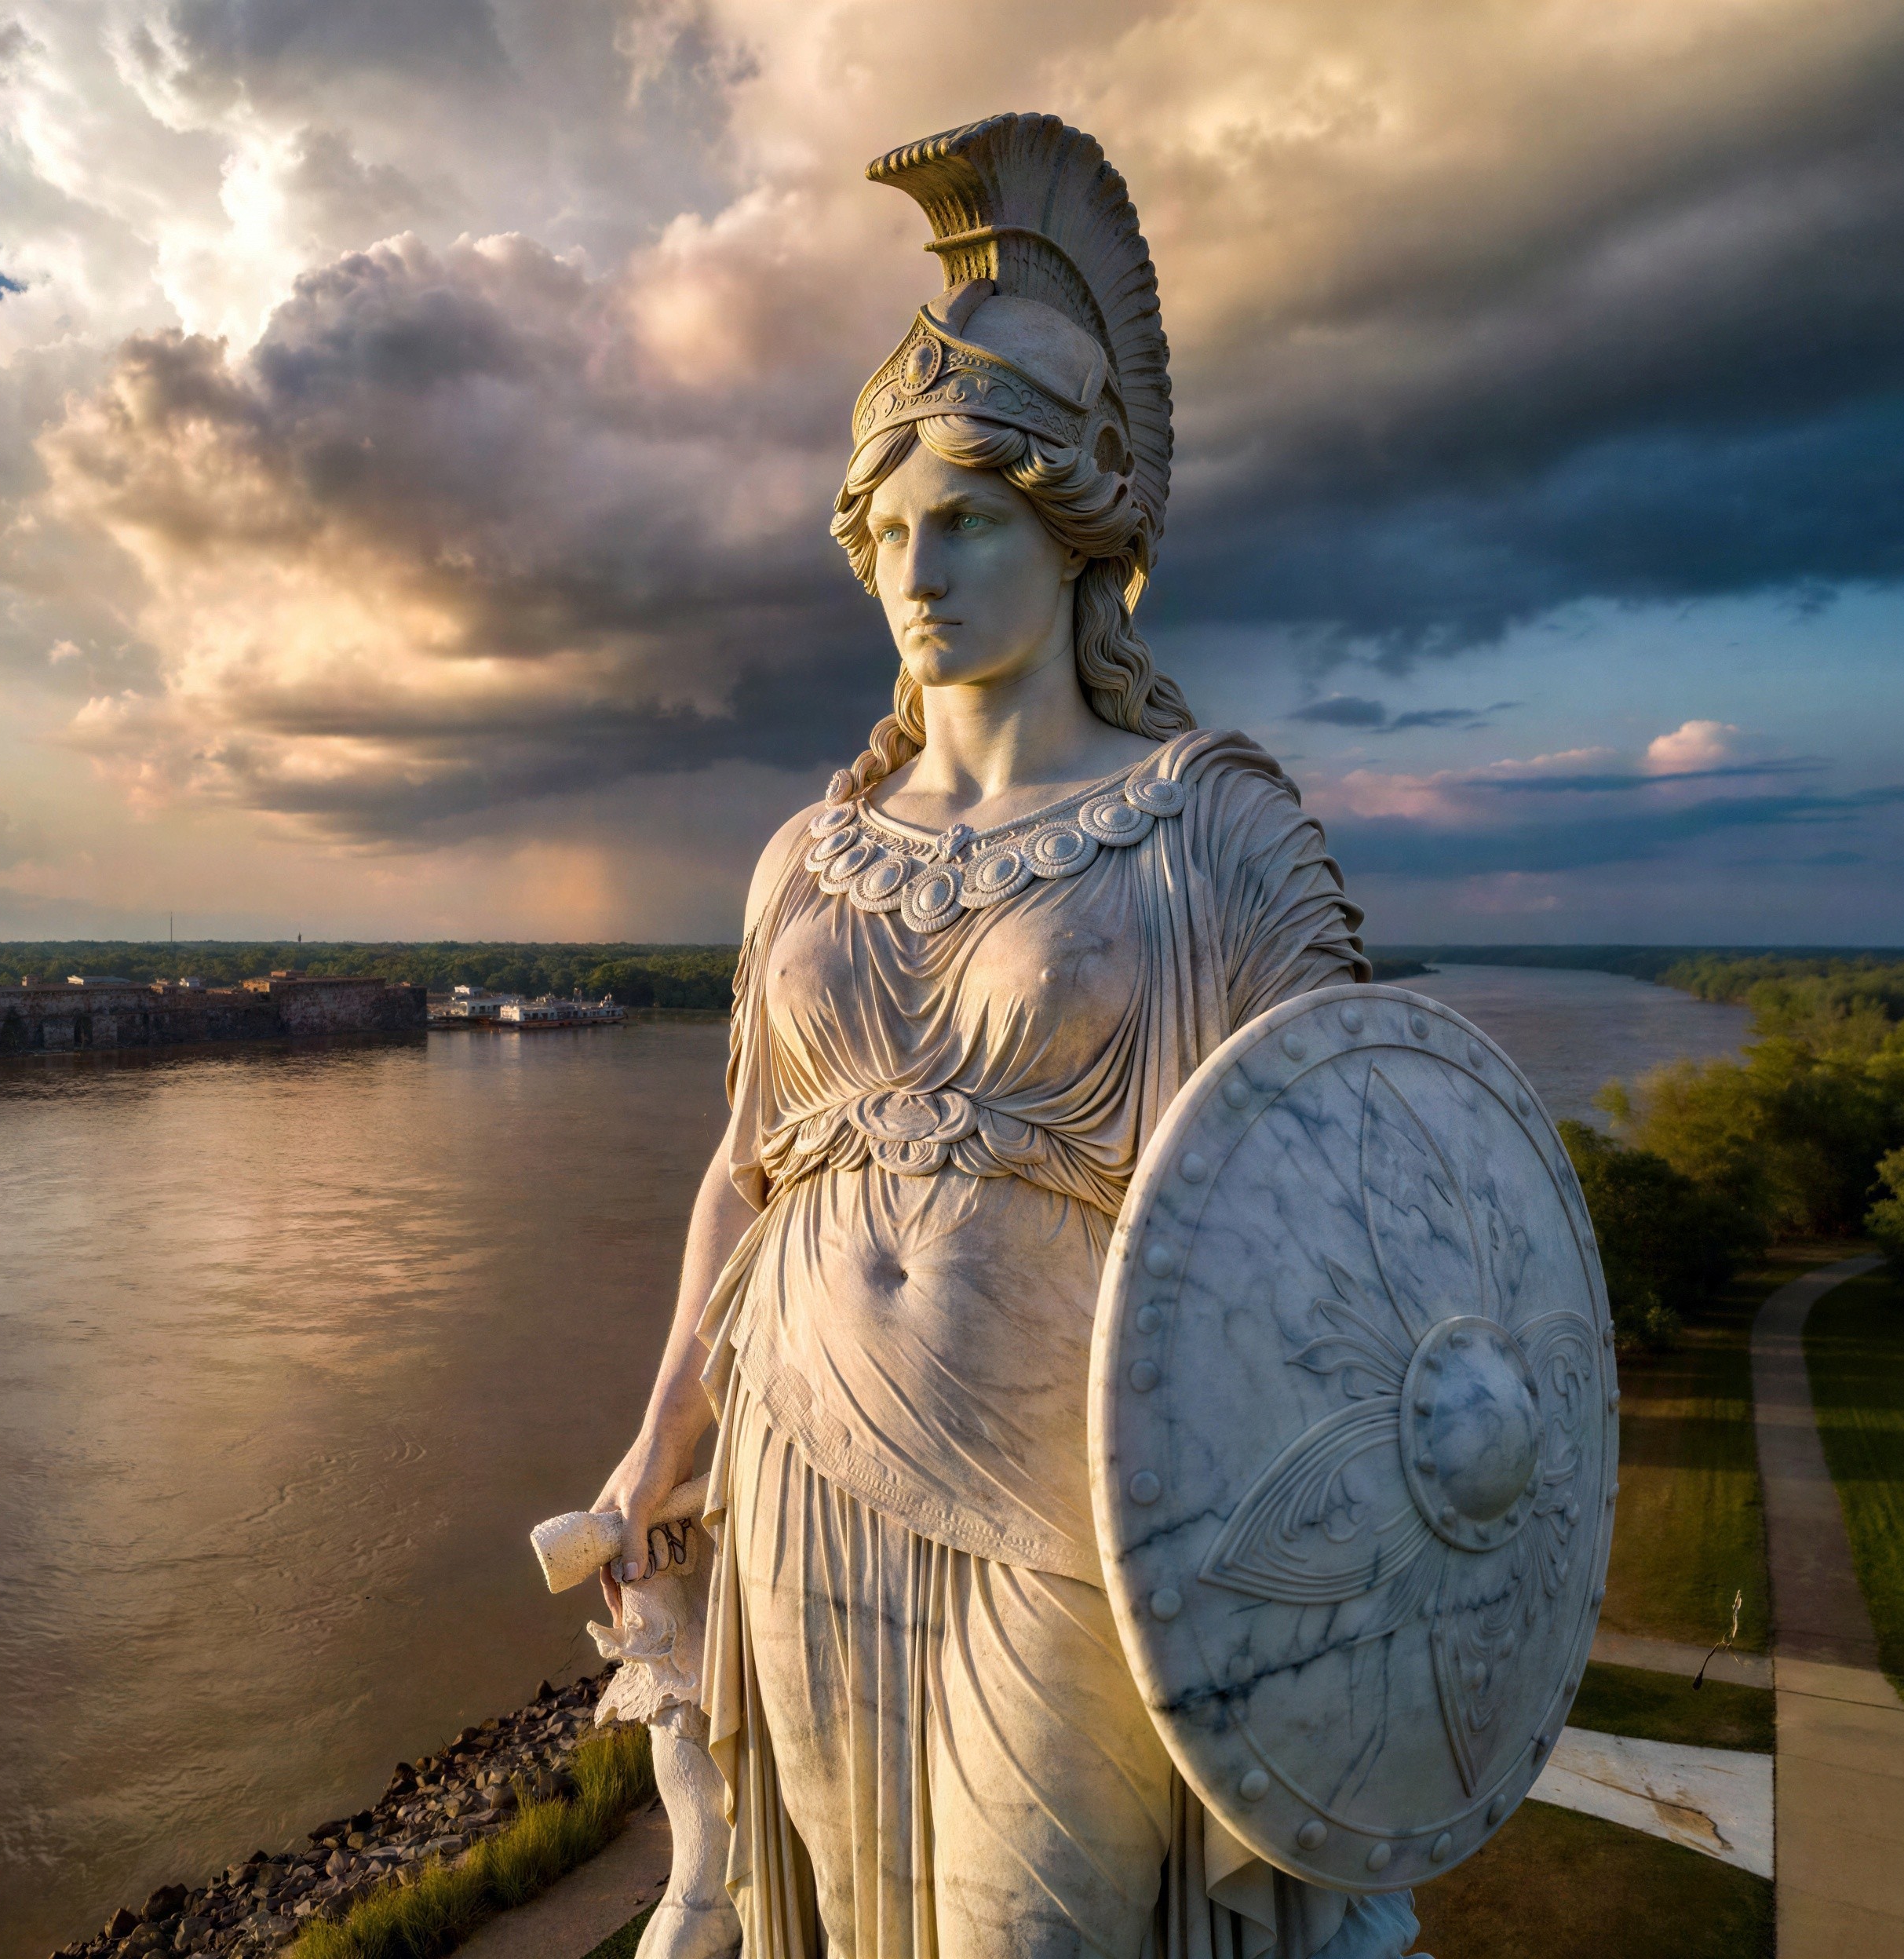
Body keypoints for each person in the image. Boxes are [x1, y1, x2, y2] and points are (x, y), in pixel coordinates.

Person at [589, 115, 1421, 1959]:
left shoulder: (1213, 834)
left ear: (1074, 528)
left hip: (1075, 1503)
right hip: (806, 1463)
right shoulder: (805, 855)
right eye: (887, 532)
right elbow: (744, 1179)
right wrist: (658, 1448)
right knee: (860, 1921)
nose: (918, 571)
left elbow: (1359, 1213)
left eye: (964, 518)